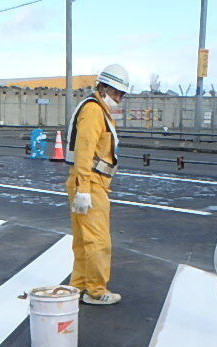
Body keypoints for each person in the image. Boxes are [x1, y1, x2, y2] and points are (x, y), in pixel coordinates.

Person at [65, 64, 129, 306]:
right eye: (115, 93)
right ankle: (96, 290)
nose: (118, 98)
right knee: (98, 240)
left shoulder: (98, 109)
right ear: (102, 87)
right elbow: (84, 151)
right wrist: (83, 189)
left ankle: (80, 285)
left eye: (121, 94)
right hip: (90, 182)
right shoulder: (93, 111)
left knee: (83, 240)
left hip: (87, 181)